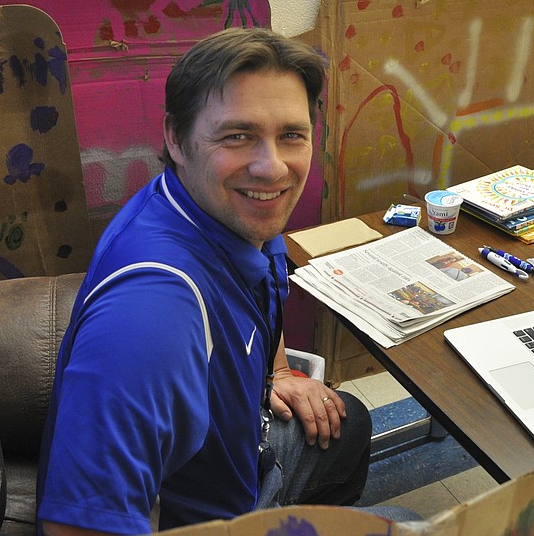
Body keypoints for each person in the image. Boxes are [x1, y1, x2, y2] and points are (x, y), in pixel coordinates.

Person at [37, 28, 374, 535]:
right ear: (175, 137)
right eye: (237, 136)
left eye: (291, 135)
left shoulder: (224, 213)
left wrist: (277, 371)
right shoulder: (155, 312)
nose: (272, 167)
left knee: (349, 424)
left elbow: (260, 286)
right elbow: (76, 529)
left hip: (239, 458)